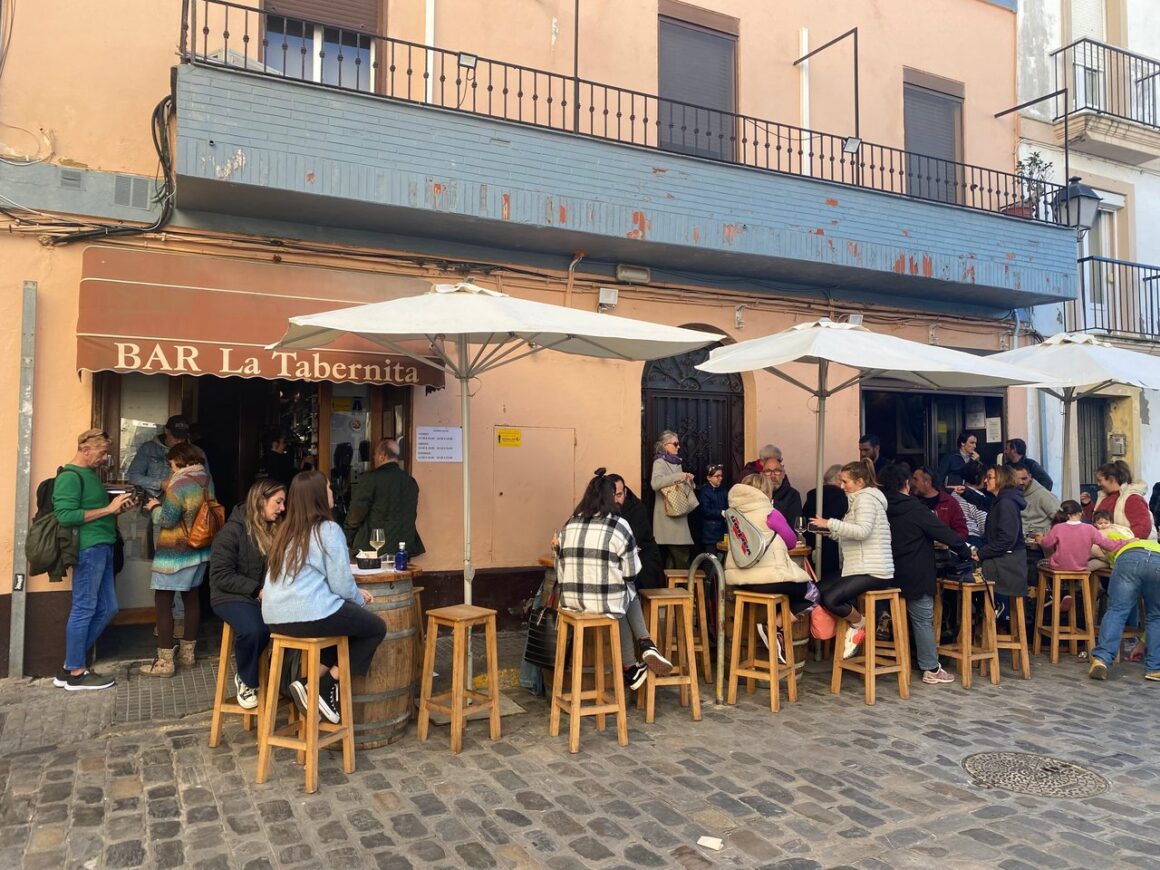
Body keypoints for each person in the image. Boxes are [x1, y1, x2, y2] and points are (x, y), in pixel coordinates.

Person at [263, 471, 387, 724]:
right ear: (319, 495)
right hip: (308, 613)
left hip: (275, 617)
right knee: (375, 628)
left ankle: (307, 684)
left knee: (342, 632)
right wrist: (359, 599)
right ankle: (322, 686)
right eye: (329, 488)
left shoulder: (286, 531)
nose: (332, 492)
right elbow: (341, 584)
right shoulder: (327, 529)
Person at [557, 469, 673, 690]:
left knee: (618, 596)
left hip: (570, 604)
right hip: (606, 603)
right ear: (612, 498)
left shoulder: (569, 524)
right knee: (625, 591)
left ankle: (632, 667)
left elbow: (560, 569)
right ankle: (645, 644)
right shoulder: (619, 525)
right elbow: (631, 573)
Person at [52, 429, 136, 691]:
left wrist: (117, 511)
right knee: (84, 608)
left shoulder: (90, 475)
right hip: (88, 549)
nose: (105, 459)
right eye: (102, 454)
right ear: (85, 450)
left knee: (108, 608)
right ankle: (76, 672)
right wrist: (108, 509)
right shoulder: (69, 476)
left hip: (103, 546)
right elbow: (65, 516)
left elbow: (94, 512)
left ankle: (70, 665)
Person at [879, 463, 972, 685]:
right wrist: (966, 551)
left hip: (887, 571)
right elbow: (943, 532)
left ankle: (887, 657)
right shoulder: (915, 507)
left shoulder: (880, 507)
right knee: (922, 619)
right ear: (905, 484)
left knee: (894, 615)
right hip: (916, 571)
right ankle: (930, 667)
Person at [210, 478, 287, 709]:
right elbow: (221, 575)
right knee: (254, 629)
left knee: (297, 624)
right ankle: (246, 679)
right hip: (230, 596)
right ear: (260, 501)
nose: (283, 508)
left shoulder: (277, 529)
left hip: (264, 595)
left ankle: (285, 682)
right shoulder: (231, 532)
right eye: (278, 502)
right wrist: (256, 590)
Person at [139, 443, 214, 677]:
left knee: (163, 601)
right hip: (199, 549)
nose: (171, 470)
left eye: (171, 464)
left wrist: (155, 507)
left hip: (175, 552)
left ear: (179, 461)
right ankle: (188, 655)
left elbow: (168, 520)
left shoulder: (180, 483)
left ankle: (165, 663)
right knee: (191, 599)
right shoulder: (205, 480)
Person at [809, 459, 894, 659]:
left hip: (874, 570)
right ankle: (852, 625)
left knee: (831, 598)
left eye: (845, 482)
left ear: (860, 482)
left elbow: (862, 531)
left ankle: (859, 623)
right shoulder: (858, 499)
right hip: (859, 567)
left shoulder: (866, 500)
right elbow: (854, 532)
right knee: (818, 590)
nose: (841, 486)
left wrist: (830, 522)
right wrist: (830, 532)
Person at [723, 472, 811, 663]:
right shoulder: (771, 514)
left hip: (741, 583)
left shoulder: (732, 514)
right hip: (767, 582)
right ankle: (774, 626)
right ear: (765, 491)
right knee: (811, 592)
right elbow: (791, 541)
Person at [1087, 536, 1160, 682]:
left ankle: (1101, 659)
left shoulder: (1123, 545)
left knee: (1117, 610)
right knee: (1156, 616)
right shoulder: (1154, 545)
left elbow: (1109, 561)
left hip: (1128, 559)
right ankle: (1154, 668)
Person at [344, 438, 425, 559]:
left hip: (372, 549)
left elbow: (355, 516)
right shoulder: (410, 482)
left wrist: (345, 538)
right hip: (403, 550)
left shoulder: (369, 479)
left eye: (375, 454)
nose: (373, 457)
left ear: (382, 456)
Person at [972, 465, 1027, 624]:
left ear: (1001, 479)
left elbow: (1006, 539)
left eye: (989, 477)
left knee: (970, 576)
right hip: (1006, 559)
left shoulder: (1006, 503)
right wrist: (967, 492)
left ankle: (996, 610)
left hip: (1008, 565)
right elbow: (982, 502)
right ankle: (991, 611)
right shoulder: (1001, 500)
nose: (985, 480)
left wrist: (981, 553)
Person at [606, 473, 664, 590]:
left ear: (625, 492)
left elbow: (632, 540)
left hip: (644, 562)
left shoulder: (637, 509)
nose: (615, 500)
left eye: (619, 495)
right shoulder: (604, 509)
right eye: (612, 496)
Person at [127, 414, 206, 498]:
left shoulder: (197, 452)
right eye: (175, 437)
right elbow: (132, 476)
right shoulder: (149, 449)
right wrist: (160, 484)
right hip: (153, 503)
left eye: (182, 438)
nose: (179, 441)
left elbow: (206, 481)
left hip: (186, 504)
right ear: (166, 431)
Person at [1040, 500, 1125, 573]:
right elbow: (1108, 545)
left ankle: (1051, 590)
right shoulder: (1090, 528)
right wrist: (1126, 542)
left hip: (1059, 566)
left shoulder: (1058, 528)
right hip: (1081, 567)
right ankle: (1070, 589)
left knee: (1040, 563)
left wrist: (1041, 539)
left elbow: (1046, 544)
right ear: (1080, 513)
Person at [650, 430, 694, 569]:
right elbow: (655, 483)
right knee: (681, 558)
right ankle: (682, 589)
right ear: (665, 445)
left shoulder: (676, 463)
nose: (678, 446)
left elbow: (678, 485)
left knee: (673, 560)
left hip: (677, 514)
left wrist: (687, 479)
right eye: (675, 443)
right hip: (668, 517)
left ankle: (672, 589)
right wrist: (679, 476)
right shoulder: (659, 462)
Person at [1090, 460, 1155, 541]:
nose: (1098, 484)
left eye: (1100, 480)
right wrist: (1087, 504)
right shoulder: (1105, 497)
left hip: (1127, 549)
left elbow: (1143, 527)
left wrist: (1123, 544)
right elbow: (1096, 520)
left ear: (1111, 479)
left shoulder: (1133, 499)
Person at [803, 464, 847, 579]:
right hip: (833, 548)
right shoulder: (841, 496)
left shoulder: (812, 495)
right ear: (839, 479)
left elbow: (804, 521)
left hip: (811, 545)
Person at [909, 466, 968, 540]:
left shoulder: (950, 502)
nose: (911, 482)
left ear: (927, 483)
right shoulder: (909, 500)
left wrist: (948, 542)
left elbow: (961, 532)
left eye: (915, 479)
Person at [1010, 462, 1060, 539]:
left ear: (1030, 477)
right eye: (1017, 479)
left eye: (1024, 478)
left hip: (1039, 544)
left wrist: (1050, 536)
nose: (1021, 482)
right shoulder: (1011, 495)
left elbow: (1061, 517)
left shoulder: (1044, 495)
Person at [763, 457, 803, 532]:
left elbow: (794, 528)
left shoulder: (792, 495)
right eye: (768, 472)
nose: (773, 476)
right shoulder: (756, 494)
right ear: (762, 475)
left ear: (783, 475)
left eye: (777, 471)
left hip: (783, 541)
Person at [697, 464, 729, 557]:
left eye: (721, 476)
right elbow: (705, 510)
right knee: (711, 559)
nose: (720, 478)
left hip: (722, 531)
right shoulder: (705, 491)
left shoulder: (723, 490)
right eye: (717, 476)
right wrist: (721, 512)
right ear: (708, 477)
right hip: (710, 532)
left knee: (722, 557)